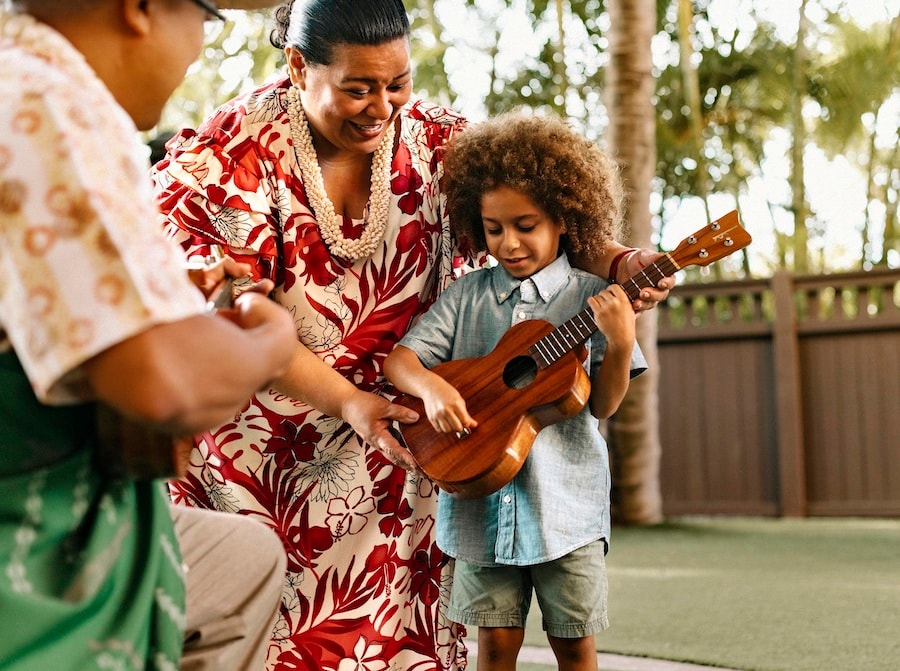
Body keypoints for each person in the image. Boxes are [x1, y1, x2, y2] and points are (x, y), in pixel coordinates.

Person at [152, 0, 672, 668]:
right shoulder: (235, 155)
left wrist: (620, 261)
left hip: (413, 436)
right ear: (296, 65)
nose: (382, 106)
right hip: (263, 459)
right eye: (358, 88)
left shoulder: (442, 142)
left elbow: (535, 213)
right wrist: (346, 400)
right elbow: (227, 307)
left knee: (399, 638)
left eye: (398, 82)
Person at [0, 0, 298, 669]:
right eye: (208, 19)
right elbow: (162, 383)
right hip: (23, 540)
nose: (198, 46)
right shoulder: (42, 102)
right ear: (139, 9)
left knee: (245, 559)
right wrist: (271, 343)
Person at [383, 112, 646, 671]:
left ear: (564, 219)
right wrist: (430, 389)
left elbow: (600, 405)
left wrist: (620, 344)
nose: (509, 242)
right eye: (494, 228)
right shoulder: (466, 297)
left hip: (565, 511)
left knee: (574, 645)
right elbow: (400, 361)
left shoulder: (592, 296)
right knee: (495, 646)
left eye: (525, 225)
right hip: (479, 504)